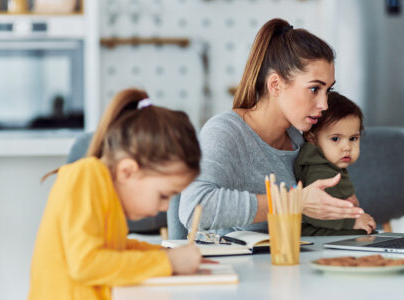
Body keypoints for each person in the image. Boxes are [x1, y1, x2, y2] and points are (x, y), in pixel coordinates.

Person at [180, 18, 365, 236]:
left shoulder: (304, 135)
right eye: (314, 89)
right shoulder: (226, 133)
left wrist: (345, 211)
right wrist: (293, 202)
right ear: (275, 84)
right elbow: (194, 209)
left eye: (328, 91)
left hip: (302, 262)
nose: (324, 105)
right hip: (242, 267)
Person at [29, 89, 203, 300]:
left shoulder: (105, 190)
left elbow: (115, 248)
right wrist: (169, 263)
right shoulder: (86, 177)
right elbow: (86, 264)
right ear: (127, 171)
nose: (166, 207)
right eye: (164, 195)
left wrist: (162, 253)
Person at [295, 92, 376, 235]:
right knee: (362, 233)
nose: (347, 147)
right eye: (335, 139)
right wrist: (352, 221)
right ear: (312, 138)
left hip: (331, 229)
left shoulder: (330, 161)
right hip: (313, 236)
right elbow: (317, 211)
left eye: (353, 138)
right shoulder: (317, 169)